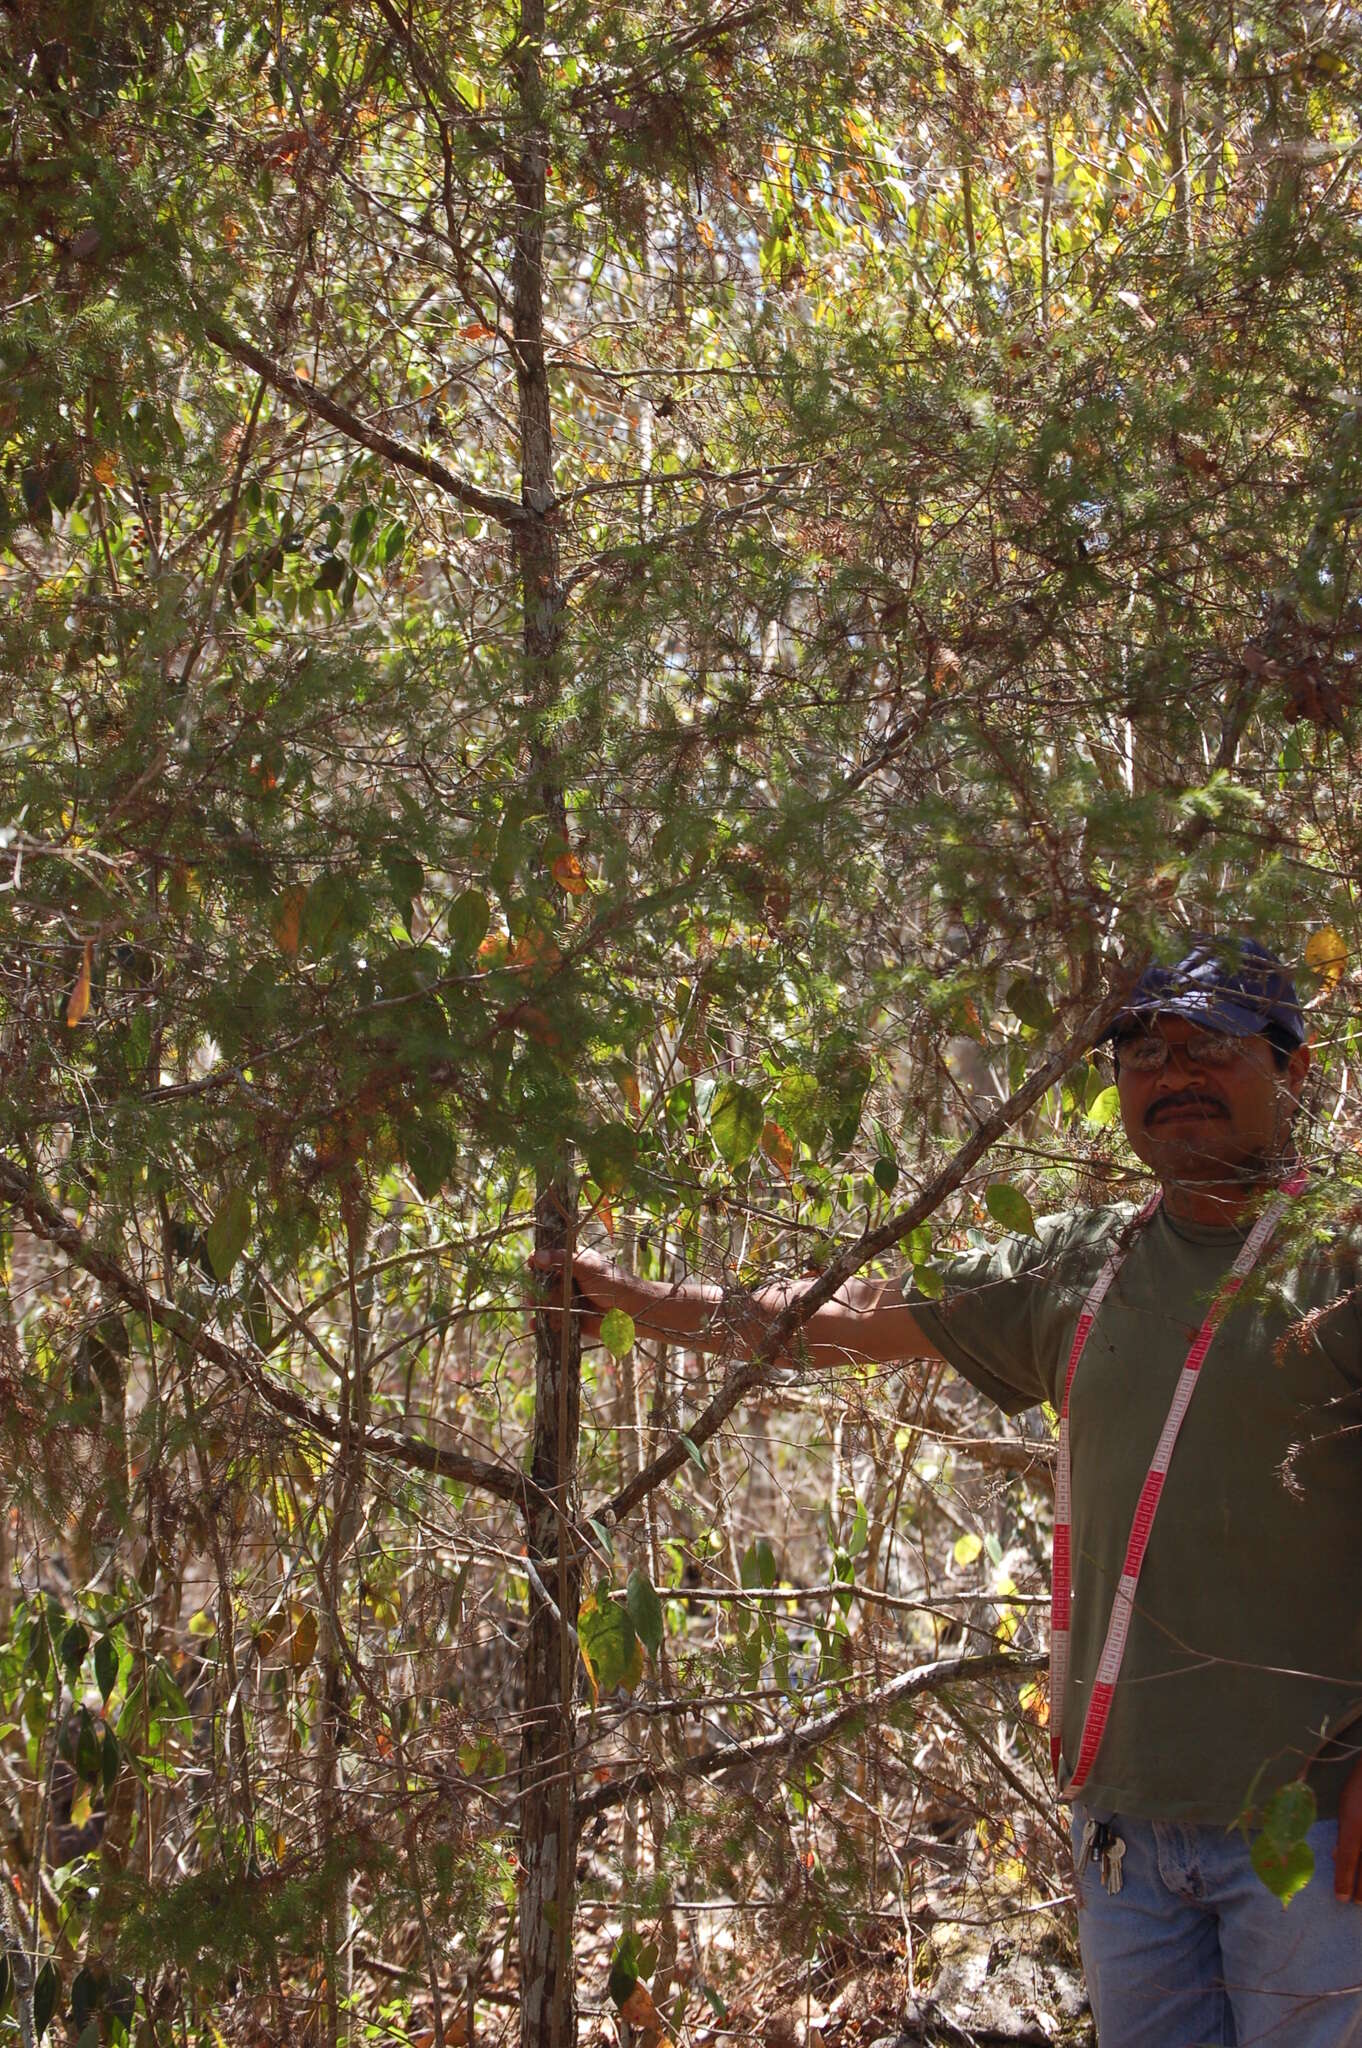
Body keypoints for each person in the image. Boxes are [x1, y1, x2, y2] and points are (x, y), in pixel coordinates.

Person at [543, 936, 1362, 2047]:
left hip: (1307, 1830)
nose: (1174, 1076)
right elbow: (843, 1318)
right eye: (1145, 1052)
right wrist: (634, 1298)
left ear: (1293, 1066)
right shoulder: (1088, 1263)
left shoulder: (1341, 1262)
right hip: (1122, 1827)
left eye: (1210, 1046)